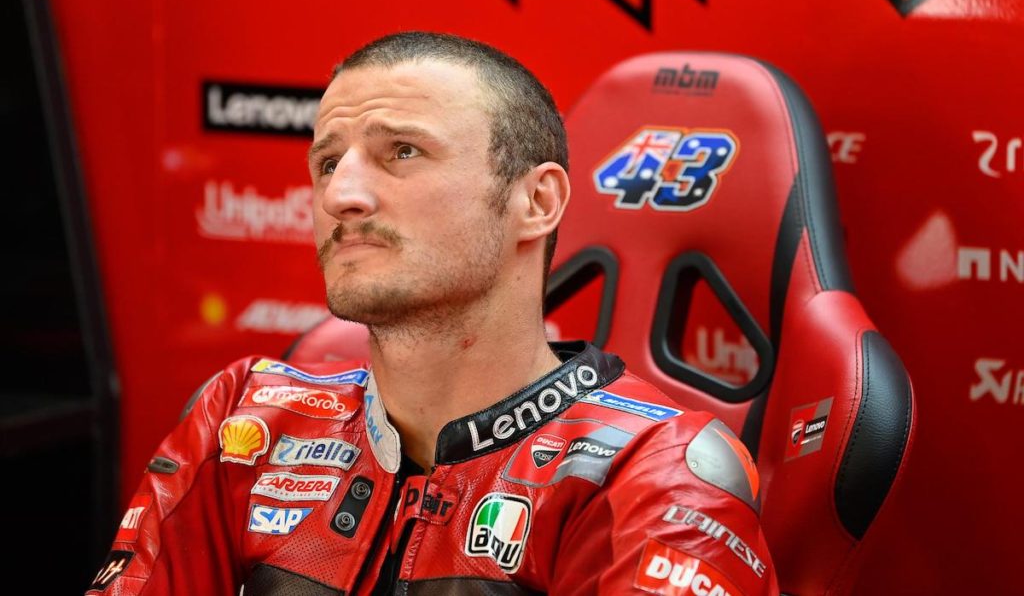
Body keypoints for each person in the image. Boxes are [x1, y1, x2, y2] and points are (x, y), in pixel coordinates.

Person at [87, 32, 779, 595]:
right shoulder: (243, 420)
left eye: (402, 151)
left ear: (536, 201)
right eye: (328, 163)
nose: (341, 194)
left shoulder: (655, 474)